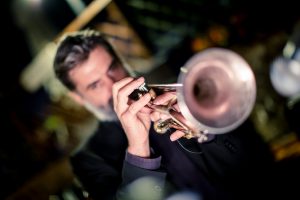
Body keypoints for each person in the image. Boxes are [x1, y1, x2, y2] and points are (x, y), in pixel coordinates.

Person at [53, 29, 275, 200]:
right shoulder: (89, 159)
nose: (114, 85)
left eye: (112, 68)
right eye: (95, 85)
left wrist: (205, 130)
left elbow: (258, 159)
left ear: (122, 61)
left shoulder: (182, 84)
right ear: (79, 98)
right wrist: (139, 149)